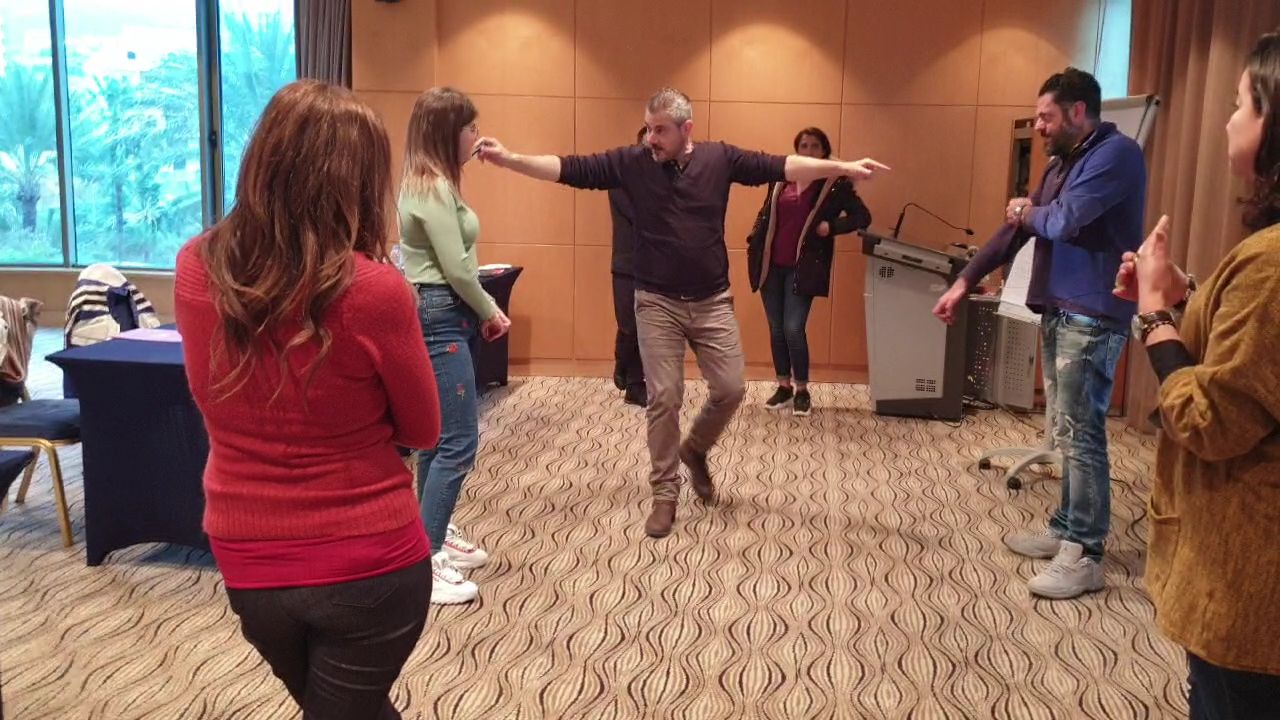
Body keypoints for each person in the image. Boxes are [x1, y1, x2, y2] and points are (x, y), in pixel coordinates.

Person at [475, 87, 888, 538]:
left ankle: (695, 450)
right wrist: (510, 159)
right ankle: (665, 492)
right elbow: (569, 168)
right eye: (648, 128)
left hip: (712, 300)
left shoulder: (719, 159)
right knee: (665, 396)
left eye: (660, 130)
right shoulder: (632, 162)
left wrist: (843, 167)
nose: (651, 139)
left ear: (686, 128)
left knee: (731, 388)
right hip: (656, 301)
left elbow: (782, 165)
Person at [175, 80, 440, 720]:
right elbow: (424, 429)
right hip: (370, 558)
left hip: (247, 557)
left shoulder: (197, 266)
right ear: (359, 181)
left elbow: (210, 397)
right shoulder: (375, 291)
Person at [932, 67, 1147, 599]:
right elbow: (1017, 230)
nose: (1039, 127)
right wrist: (964, 281)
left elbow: (1062, 221)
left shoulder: (1116, 156)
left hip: (1093, 314)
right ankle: (1066, 529)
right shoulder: (1061, 163)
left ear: (1078, 112)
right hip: (1059, 309)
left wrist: (1028, 210)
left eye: (1046, 117)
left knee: (1082, 434)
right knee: (1066, 430)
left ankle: (1086, 554)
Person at [1115, 30, 1280, 718]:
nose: (1228, 120)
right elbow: (1259, 351)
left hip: (1250, 585)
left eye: (1242, 103)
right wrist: (1185, 292)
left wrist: (1156, 314)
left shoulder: (1272, 262)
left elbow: (1209, 421)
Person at [400, 87, 511, 605]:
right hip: (441, 311)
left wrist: (478, 310)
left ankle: (433, 533)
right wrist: (490, 310)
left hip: (446, 310)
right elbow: (457, 269)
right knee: (458, 440)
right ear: (449, 132)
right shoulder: (429, 187)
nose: (476, 136)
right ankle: (424, 557)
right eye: (470, 128)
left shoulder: (435, 181)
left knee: (439, 437)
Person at [747, 126, 872, 416]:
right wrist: (755, 238)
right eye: (804, 145)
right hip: (770, 265)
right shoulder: (782, 178)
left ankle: (802, 389)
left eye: (815, 146)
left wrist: (832, 226)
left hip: (803, 267)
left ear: (824, 151)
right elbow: (767, 213)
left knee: (793, 328)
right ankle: (783, 386)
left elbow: (862, 216)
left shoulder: (835, 184)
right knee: (776, 329)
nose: (809, 151)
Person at [610, 125, 651, 408]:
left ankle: (635, 383)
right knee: (629, 324)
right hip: (626, 262)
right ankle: (624, 362)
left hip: (657, 265)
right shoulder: (620, 179)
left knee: (644, 325)